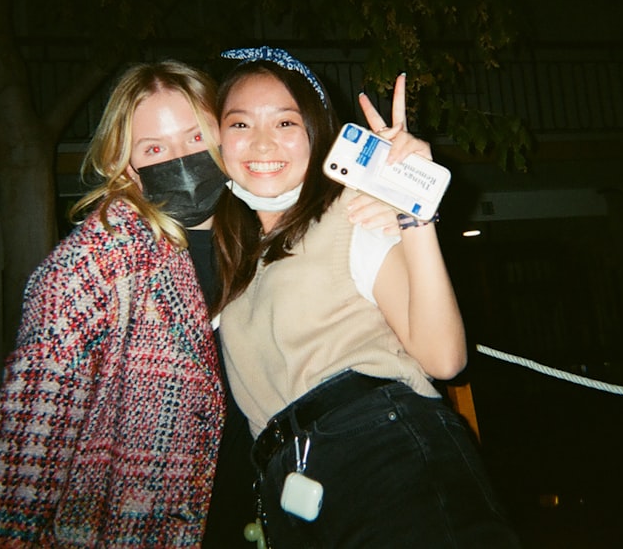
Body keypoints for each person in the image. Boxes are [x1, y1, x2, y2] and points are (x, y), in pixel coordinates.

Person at [211, 46, 521, 547]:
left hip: (382, 455)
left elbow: (443, 357)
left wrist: (411, 209)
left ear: (316, 133)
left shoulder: (352, 212)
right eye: (241, 124)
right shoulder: (232, 263)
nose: (262, 142)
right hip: (288, 492)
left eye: (286, 123)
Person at [0, 60, 229, 548]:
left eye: (196, 137)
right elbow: (27, 443)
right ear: (124, 165)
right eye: (154, 148)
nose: (183, 159)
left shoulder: (257, 237)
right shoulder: (93, 263)